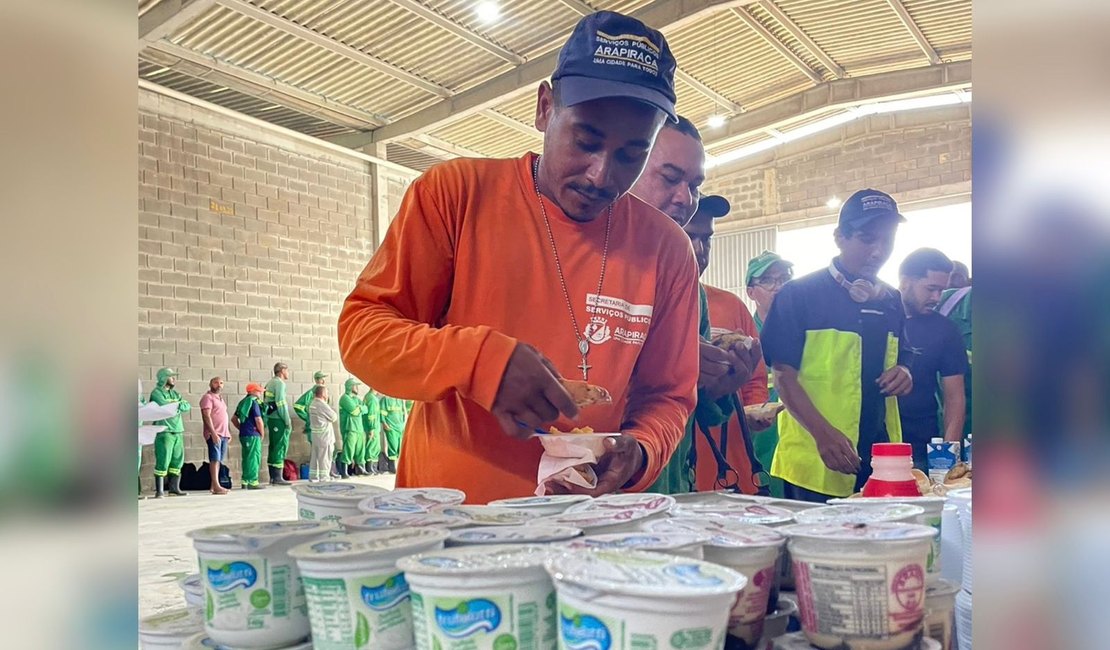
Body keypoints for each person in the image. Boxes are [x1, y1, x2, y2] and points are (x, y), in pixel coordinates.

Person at [337, 10, 700, 503]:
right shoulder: (457, 195)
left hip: (585, 530)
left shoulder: (666, 250)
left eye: (631, 155)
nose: (600, 175)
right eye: (586, 141)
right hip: (451, 524)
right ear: (545, 108)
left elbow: (669, 395)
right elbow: (364, 334)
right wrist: (481, 362)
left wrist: (640, 450)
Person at [627, 117, 758, 495]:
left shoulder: (689, 286)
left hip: (671, 488)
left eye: (694, 185)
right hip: (603, 491)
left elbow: (690, 407)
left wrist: (720, 386)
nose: (685, 198)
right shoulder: (589, 266)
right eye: (669, 178)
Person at [760, 189, 914, 501]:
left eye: (888, 240)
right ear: (839, 237)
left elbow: (902, 354)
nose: (878, 251)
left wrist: (905, 371)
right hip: (816, 460)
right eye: (867, 238)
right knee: (814, 548)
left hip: (879, 458)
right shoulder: (799, 295)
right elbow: (783, 375)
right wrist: (823, 434)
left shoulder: (891, 299)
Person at [682, 195, 771, 493]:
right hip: (671, 455)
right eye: (688, 235)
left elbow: (755, 377)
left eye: (706, 239)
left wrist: (753, 409)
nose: (699, 249)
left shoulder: (731, 305)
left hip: (726, 458)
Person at [896, 248, 970, 466]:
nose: (936, 298)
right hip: (870, 442)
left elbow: (955, 398)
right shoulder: (875, 319)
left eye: (941, 290)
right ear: (905, 282)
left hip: (920, 446)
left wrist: (948, 455)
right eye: (930, 289)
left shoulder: (945, 330)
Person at [745, 250, 795, 497]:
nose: (778, 287)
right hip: (760, 449)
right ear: (751, 292)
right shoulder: (743, 338)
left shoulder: (805, 333)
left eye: (784, 278)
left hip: (802, 452)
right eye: (767, 280)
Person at [149, 367, 191, 498]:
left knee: (177, 460)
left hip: (178, 430)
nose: (174, 379)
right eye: (171, 376)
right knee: (163, 459)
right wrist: (177, 405)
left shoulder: (175, 394)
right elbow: (164, 407)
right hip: (164, 431)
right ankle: (160, 490)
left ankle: (174, 489)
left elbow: (186, 405)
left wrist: (176, 404)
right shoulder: (156, 393)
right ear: (163, 378)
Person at [199, 376, 231, 495]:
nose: (219, 385)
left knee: (219, 460)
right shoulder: (207, 398)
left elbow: (224, 416)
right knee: (215, 459)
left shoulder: (221, 398)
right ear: (210, 384)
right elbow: (206, 416)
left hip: (223, 434)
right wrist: (213, 433)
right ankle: (217, 485)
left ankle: (214, 486)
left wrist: (228, 432)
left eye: (221, 383)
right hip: (215, 433)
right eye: (216, 382)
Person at [231, 383, 266, 490]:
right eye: (258, 390)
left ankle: (245, 481)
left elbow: (233, 419)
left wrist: (242, 428)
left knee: (246, 457)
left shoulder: (242, 402)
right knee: (254, 458)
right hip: (253, 434)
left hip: (244, 435)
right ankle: (252, 481)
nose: (260, 392)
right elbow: (258, 420)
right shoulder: (253, 402)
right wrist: (262, 433)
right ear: (251, 391)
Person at [263, 362, 293, 485]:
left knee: (274, 446)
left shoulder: (270, 382)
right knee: (280, 446)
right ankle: (277, 477)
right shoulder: (279, 384)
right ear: (282, 371)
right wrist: (287, 420)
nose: (288, 373)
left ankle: (273, 477)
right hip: (278, 419)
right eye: (287, 370)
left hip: (271, 418)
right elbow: (281, 403)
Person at [308, 385, 340, 482]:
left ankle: (313, 477)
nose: (328, 395)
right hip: (325, 437)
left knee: (315, 458)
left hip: (316, 436)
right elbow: (334, 417)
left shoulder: (312, 403)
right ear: (322, 394)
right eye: (326, 393)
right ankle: (324, 477)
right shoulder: (321, 404)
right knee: (325, 458)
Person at [338, 378, 366, 477]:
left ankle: (361, 468)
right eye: (355, 386)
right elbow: (354, 411)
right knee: (348, 450)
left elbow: (365, 409)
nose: (357, 388)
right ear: (350, 387)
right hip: (349, 428)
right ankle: (344, 471)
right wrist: (360, 408)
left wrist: (360, 408)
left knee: (360, 449)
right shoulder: (345, 398)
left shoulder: (356, 399)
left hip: (358, 428)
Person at [293, 371, 328, 437]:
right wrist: (308, 418)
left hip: (323, 425)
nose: (324, 380)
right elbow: (297, 406)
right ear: (318, 380)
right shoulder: (311, 393)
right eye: (322, 378)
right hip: (314, 426)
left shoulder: (324, 392)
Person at [380, 394, 409, 475]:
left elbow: (403, 413)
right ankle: (392, 467)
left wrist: (403, 424)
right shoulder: (386, 399)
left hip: (400, 427)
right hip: (391, 427)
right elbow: (382, 413)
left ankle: (399, 467)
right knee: (393, 446)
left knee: (400, 447)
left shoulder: (399, 400)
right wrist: (384, 423)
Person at [361, 388, 383, 475]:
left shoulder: (370, 397)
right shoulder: (372, 399)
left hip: (372, 426)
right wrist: (372, 428)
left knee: (374, 446)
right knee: (372, 447)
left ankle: (373, 467)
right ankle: (370, 467)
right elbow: (371, 415)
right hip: (372, 427)